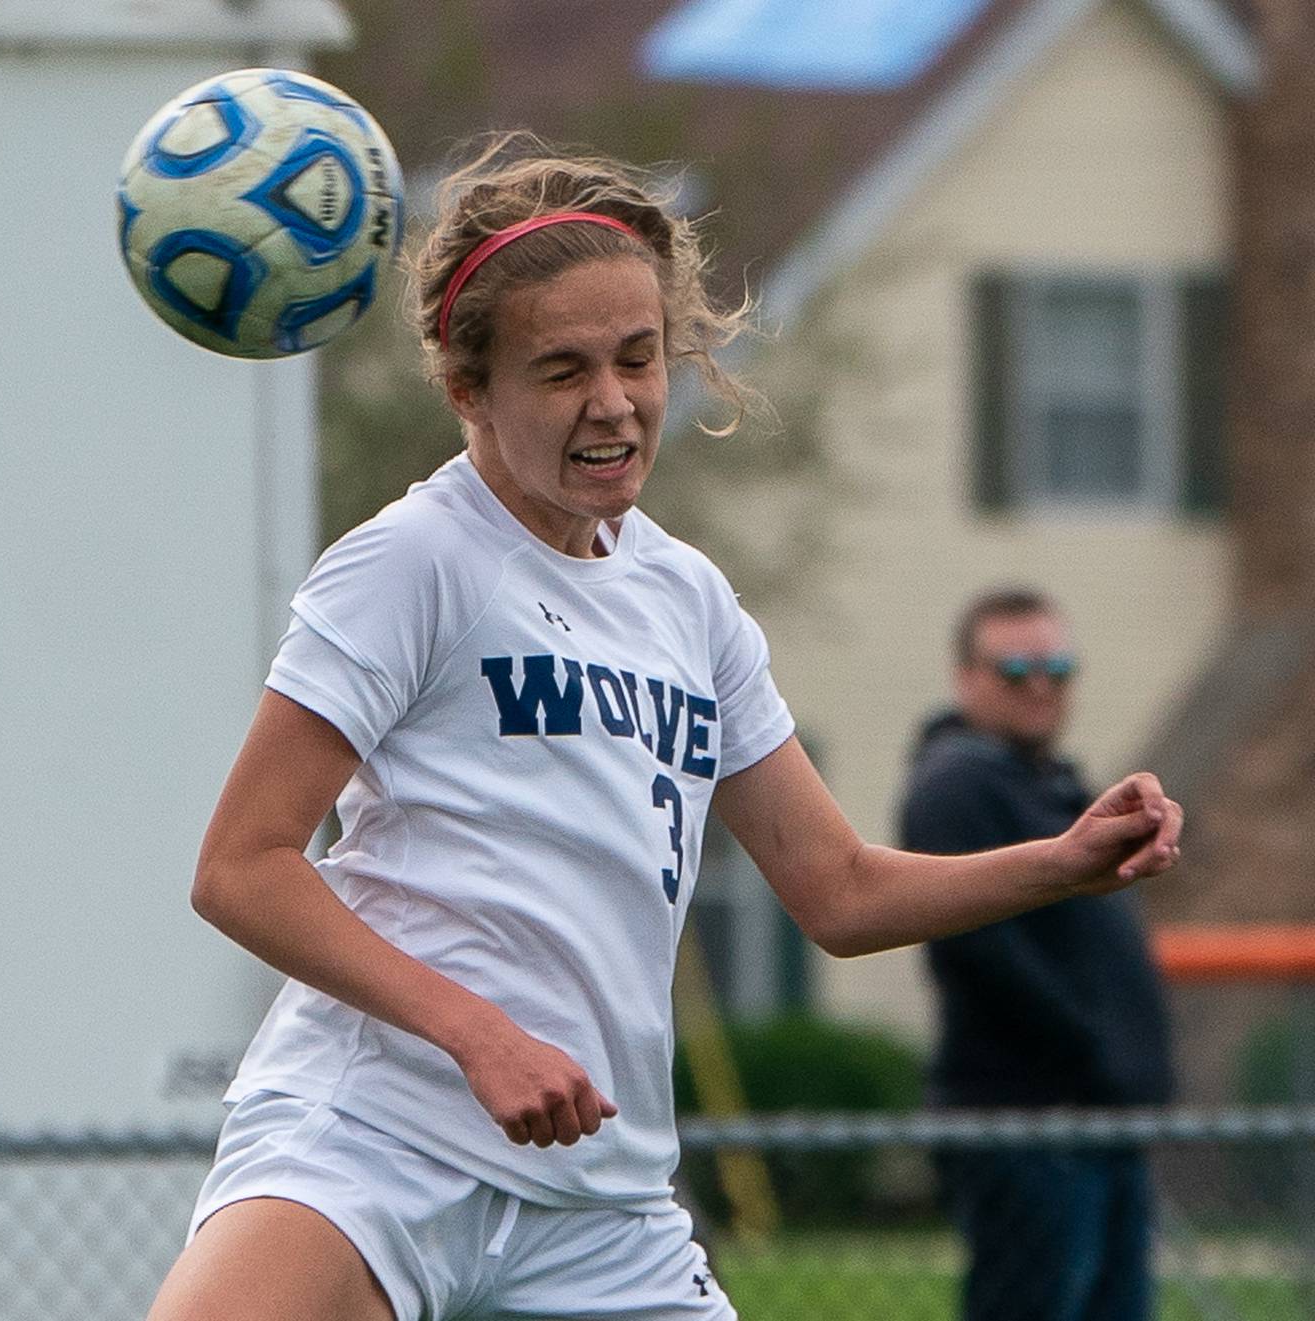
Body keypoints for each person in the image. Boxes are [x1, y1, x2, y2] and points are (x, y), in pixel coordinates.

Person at [146, 138, 1184, 1321]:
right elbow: (241, 867)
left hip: (599, 1201)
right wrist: (478, 1033)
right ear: (467, 388)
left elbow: (838, 892)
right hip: (375, 1143)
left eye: (640, 359)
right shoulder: (414, 562)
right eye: (561, 369)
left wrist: (1061, 862)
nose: (615, 402)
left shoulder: (689, 600)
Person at [899, 587, 1176, 1321]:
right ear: (966, 679)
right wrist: (1095, 1051)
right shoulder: (955, 783)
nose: (1042, 684)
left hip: (1097, 1123)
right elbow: (980, 950)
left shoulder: (1053, 785)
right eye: (1016, 669)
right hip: (1028, 1124)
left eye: (1058, 665)